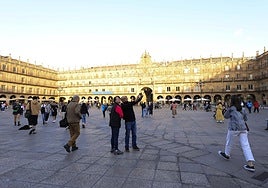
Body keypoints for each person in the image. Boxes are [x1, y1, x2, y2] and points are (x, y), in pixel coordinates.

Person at [218, 95, 255, 172]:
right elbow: (245, 119)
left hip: (233, 128)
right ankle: (250, 164)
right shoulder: (243, 109)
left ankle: (227, 154)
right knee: (246, 145)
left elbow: (225, 116)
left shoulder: (231, 109)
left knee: (229, 142)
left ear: (232, 101)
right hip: (243, 129)